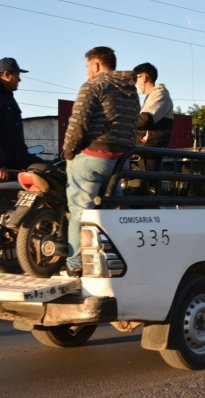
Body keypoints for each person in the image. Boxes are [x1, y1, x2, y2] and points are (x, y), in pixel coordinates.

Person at [63, 46, 140, 276]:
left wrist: (68, 152)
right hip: (121, 160)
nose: (87, 72)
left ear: (96, 64)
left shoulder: (93, 85)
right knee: (113, 211)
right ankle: (116, 259)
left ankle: (76, 263)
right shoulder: (130, 90)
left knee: (80, 210)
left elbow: (78, 123)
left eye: (88, 67)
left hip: (93, 157)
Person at [134, 62, 174, 169]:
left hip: (150, 148)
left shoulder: (160, 94)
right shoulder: (151, 96)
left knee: (147, 182)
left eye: (135, 78)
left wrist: (123, 121)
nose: (134, 83)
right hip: (144, 148)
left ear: (144, 77)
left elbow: (145, 120)